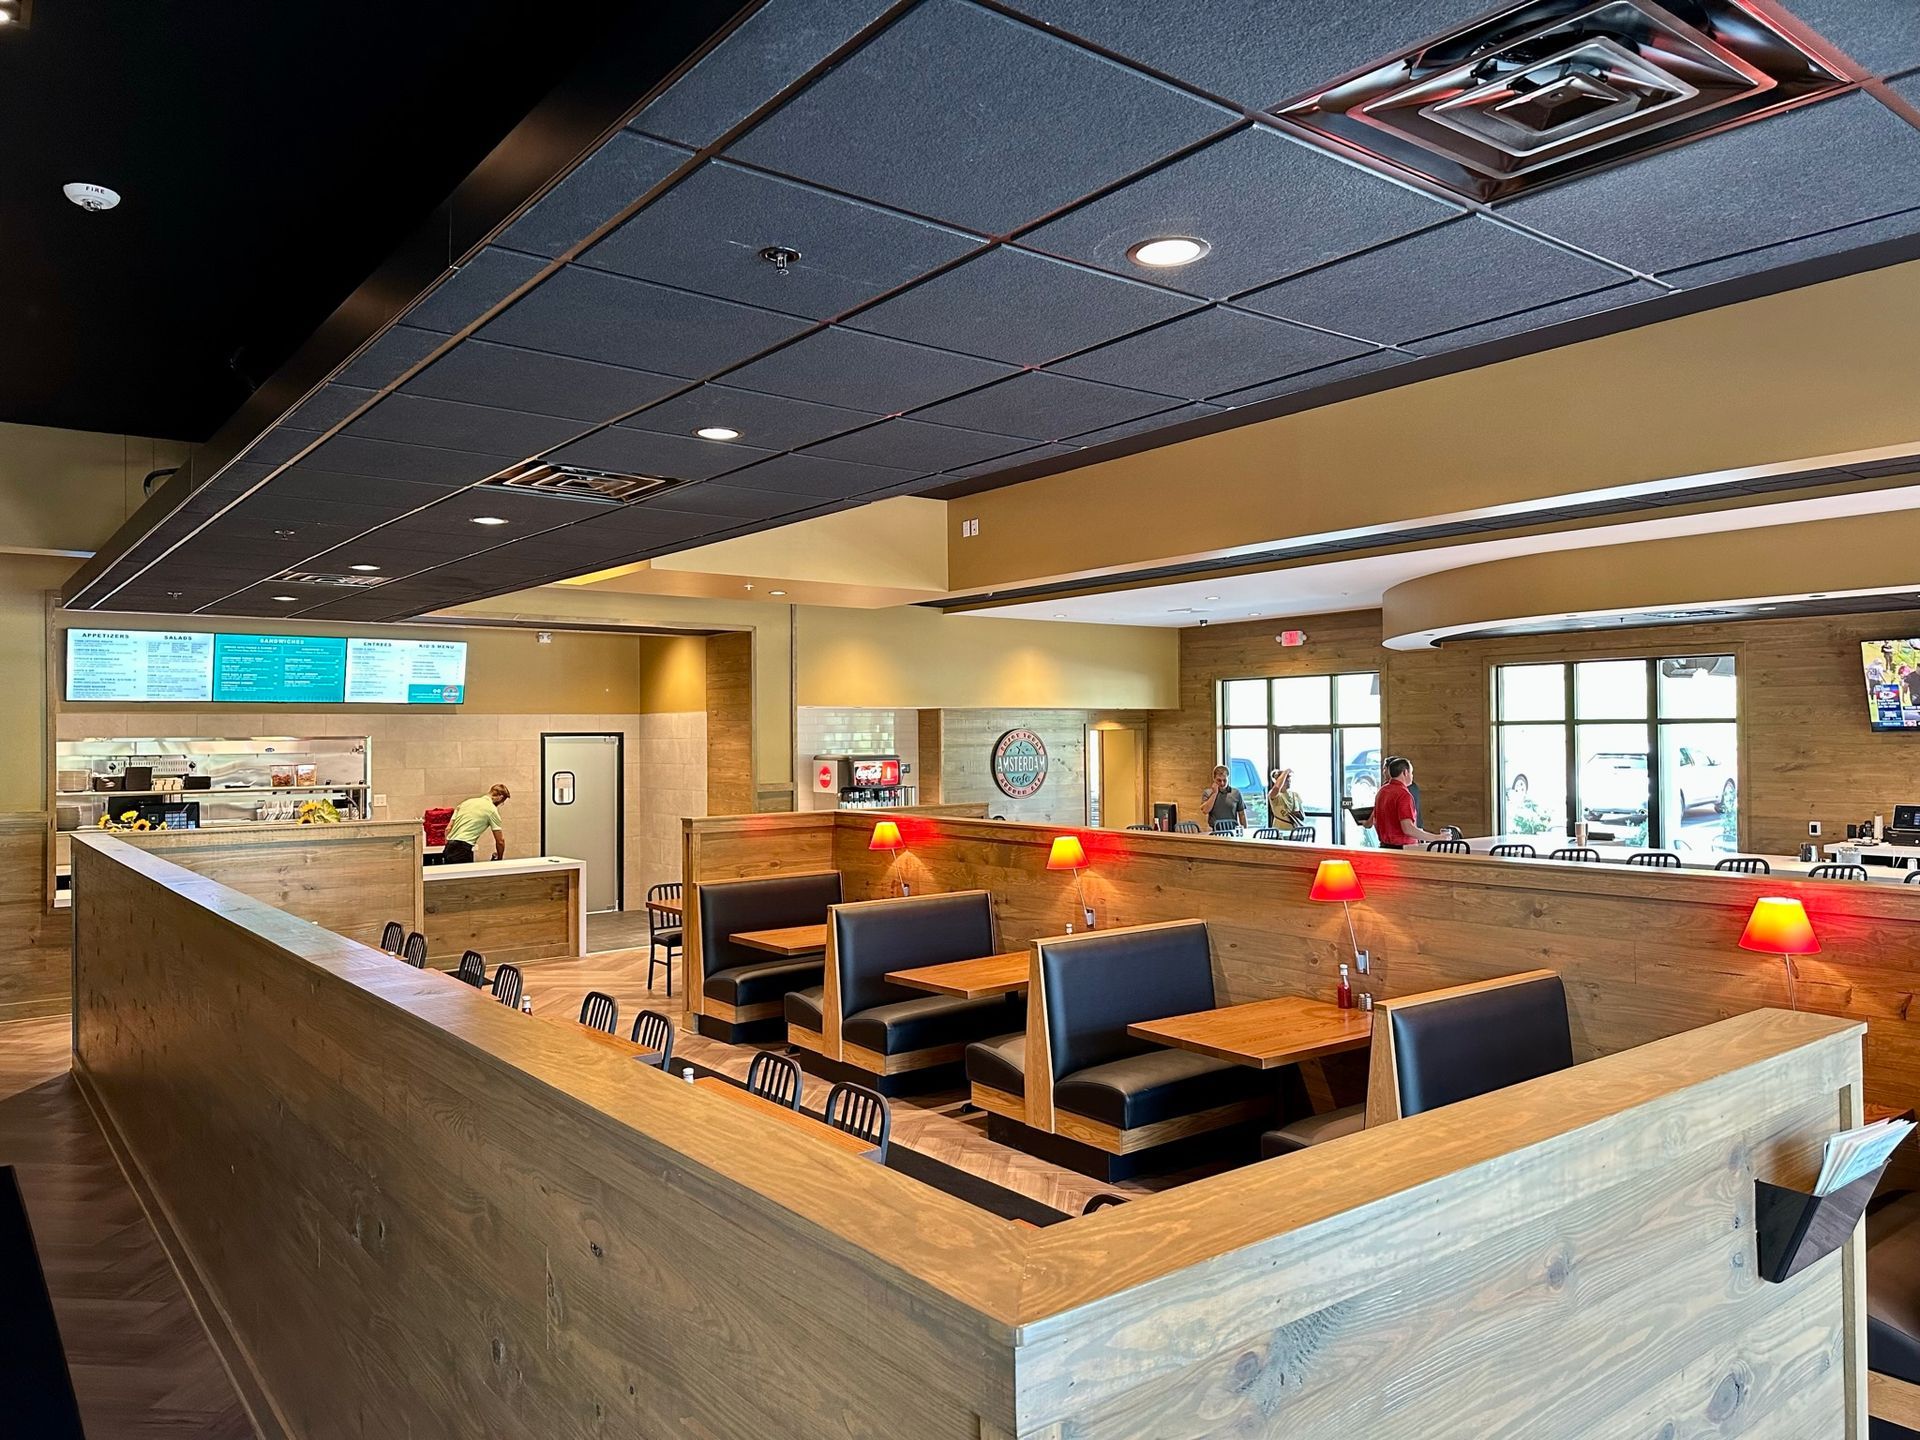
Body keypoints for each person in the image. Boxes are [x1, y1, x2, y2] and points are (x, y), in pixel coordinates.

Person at [1372, 758, 1445, 850]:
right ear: (1405, 772)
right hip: (1403, 849)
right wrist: (1437, 838)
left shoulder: (1382, 791)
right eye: (1411, 773)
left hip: (1384, 846)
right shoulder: (1403, 795)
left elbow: (1375, 821)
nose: (1412, 776)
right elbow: (1408, 829)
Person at [443, 783, 510, 864]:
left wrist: (449, 846)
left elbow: (448, 829)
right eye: (502, 802)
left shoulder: (465, 803)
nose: (500, 804)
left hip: (448, 848)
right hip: (463, 849)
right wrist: (499, 858)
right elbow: (500, 841)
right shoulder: (492, 810)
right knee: (465, 876)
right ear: (500, 797)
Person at [1201, 764, 1246, 831]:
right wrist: (1214, 793)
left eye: (1224, 780)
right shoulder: (1207, 792)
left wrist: (1244, 830)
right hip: (1215, 831)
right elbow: (1205, 810)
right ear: (1214, 779)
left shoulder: (1236, 793)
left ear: (1228, 778)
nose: (1222, 783)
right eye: (1219, 780)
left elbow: (1242, 814)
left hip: (1232, 830)